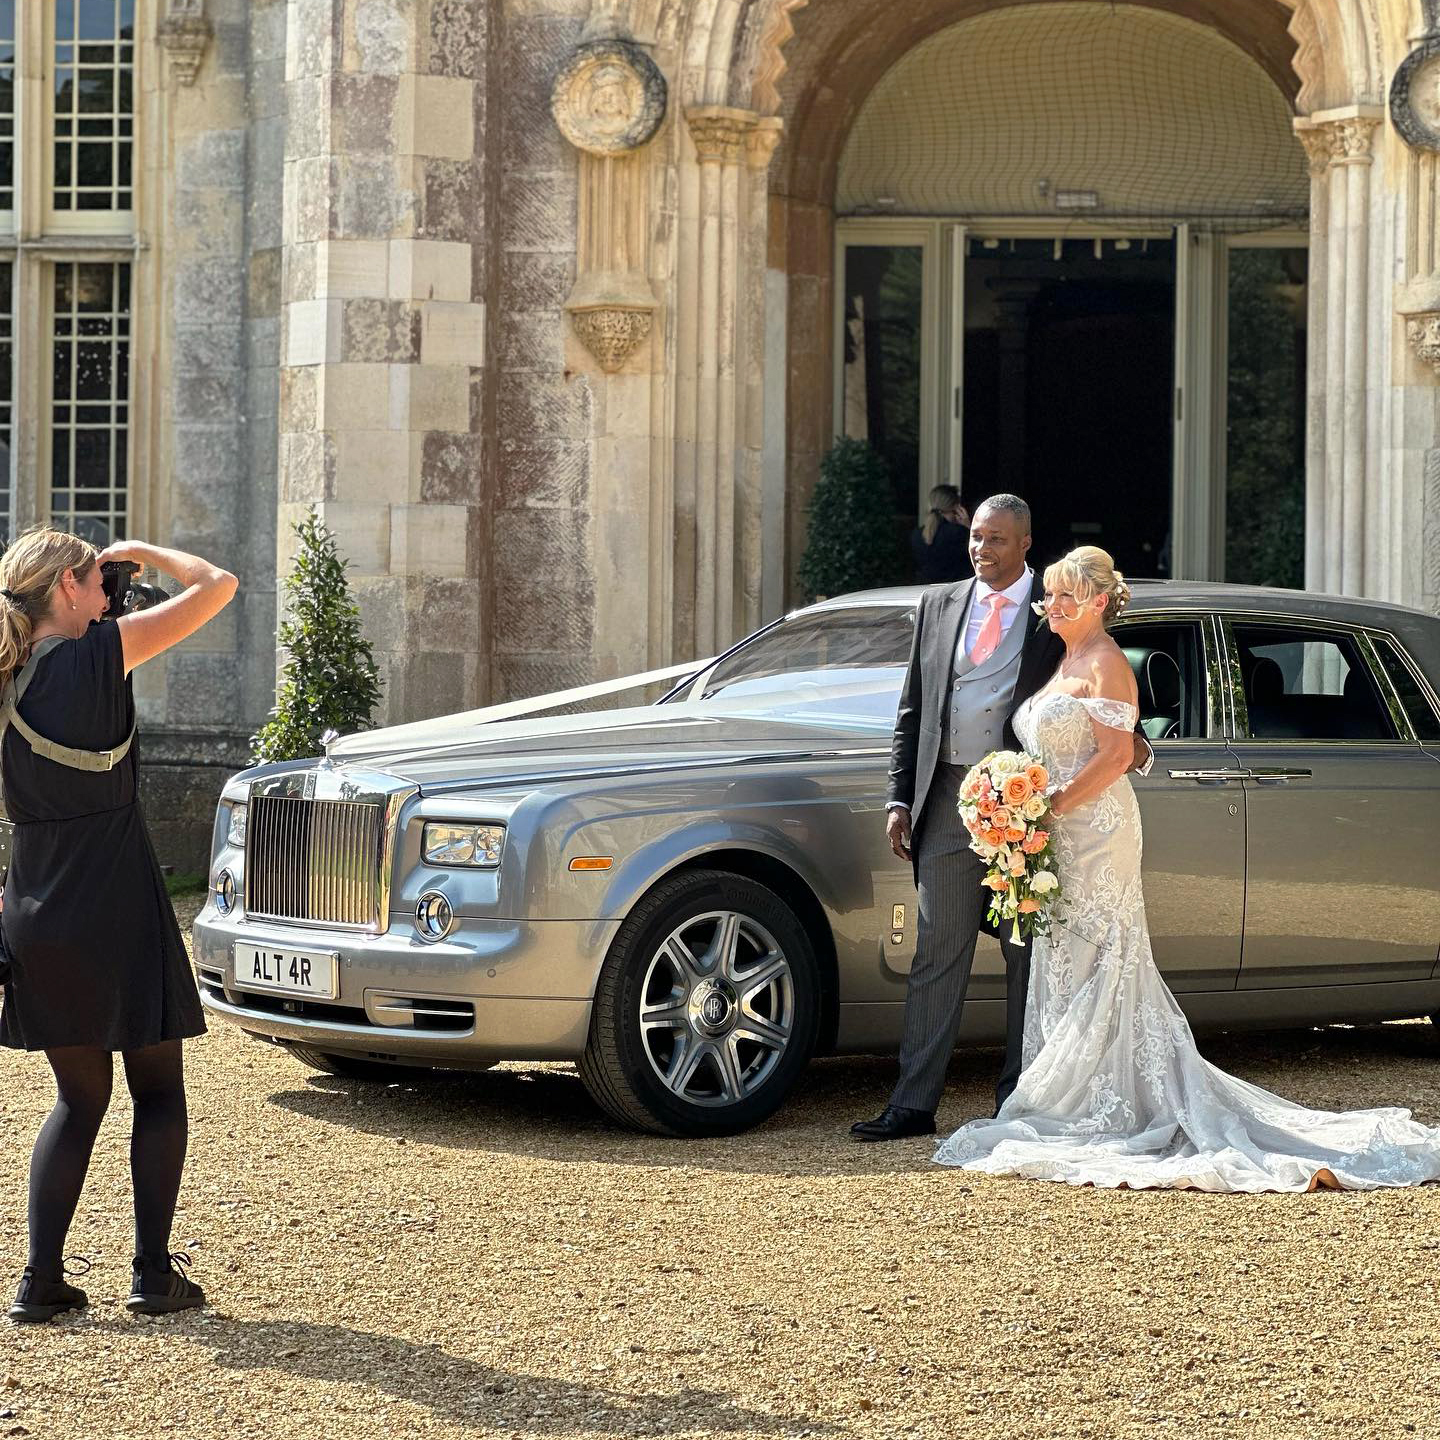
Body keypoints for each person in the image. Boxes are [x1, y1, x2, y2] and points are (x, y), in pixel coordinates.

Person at [933, 546, 1440, 1190]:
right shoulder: (1067, 662)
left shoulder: (1110, 663)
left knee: (1102, 952)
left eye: (1064, 596)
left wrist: (1047, 807)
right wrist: (1018, 801)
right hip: (1058, 830)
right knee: (1064, 955)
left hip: (1093, 829)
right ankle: (1075, 1094)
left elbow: (1117, 755)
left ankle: (1108, 1101)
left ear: (1097, 602)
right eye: (1049, 596)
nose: (1050, 607)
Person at [852, 496, 1150, 1143]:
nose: (979, 549)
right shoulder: (938, 605)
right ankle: (911, 1103)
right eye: (975, 537)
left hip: (1026, 807)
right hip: (945, 800)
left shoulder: (1055, 615)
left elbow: (1105, 698)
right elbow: (913, 709)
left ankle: (1021, 1099)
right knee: (937, 949)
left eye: (994, 539)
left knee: (1026, 956)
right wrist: (899, 798)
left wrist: (1131, 752)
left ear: (1024, 544)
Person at [1, 529, 237, 1321]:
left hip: (34, 905)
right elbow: (220, 585)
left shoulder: (8, 673)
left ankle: (40, 1281)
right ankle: (152, 1275)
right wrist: (150, 552)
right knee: (159, 1090)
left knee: (77, 1098)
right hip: (118, 901)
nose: (108, 595)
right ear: (68, 587)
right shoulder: (98, 658)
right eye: (97, 583)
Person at [909, 485, 970, 584]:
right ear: (957, 507)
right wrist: (968, 527)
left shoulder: (917, 534)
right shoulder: (959, 533)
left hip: (924, 588)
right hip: (953, 589)